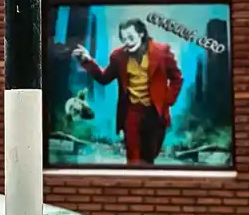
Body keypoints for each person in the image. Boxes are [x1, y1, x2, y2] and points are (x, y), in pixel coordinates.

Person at [73, 18, 183, 165]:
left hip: (155, 114)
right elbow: (104, 78)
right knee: (133, 158)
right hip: (132, 112)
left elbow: (177, 78)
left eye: (131, 37)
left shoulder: (162, 53)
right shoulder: (118, 57)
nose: (127, 42)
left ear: (141, 34)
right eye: (124, 39)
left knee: (149, 157)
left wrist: (168, 100)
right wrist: (87, 61)